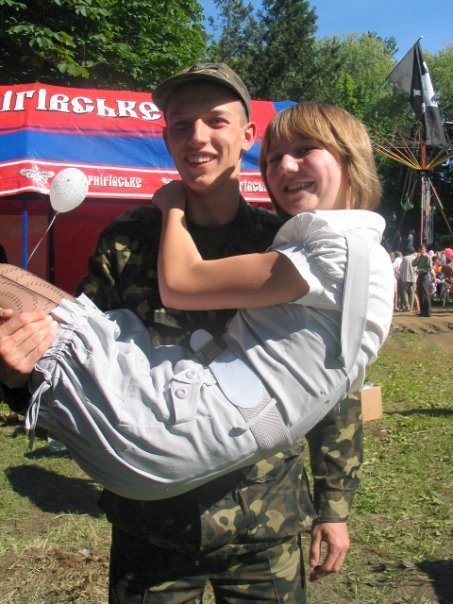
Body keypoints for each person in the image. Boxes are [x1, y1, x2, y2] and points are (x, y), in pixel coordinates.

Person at [0, 65, 368, 603]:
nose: (197, 137)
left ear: (247, 136)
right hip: (153, 529)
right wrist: (16, 374)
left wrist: (334, 504)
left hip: (263, 523)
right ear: (167, 137)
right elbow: (77, 361)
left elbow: (332, 374)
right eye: (180, 125)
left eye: (216, 121)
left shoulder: (285, 245)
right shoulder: (126, 242)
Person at [412, 245, 434, 317]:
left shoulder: (427, 257)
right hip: (420, 276)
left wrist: (420, 270)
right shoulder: (420, 256)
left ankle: (427, 312)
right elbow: (413, 264)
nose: (421, 250)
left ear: (425, 249)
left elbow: (429, 268)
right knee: (420, 294)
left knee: (425, 294)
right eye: (420, 249)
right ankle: (422, 311)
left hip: (425, 276)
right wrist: (417, 257)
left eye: (423, 249)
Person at [398, 247, 417, 311]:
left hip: (405, 277)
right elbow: (416, 268)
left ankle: (407, 306)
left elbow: (401, 268)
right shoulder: (415, 258)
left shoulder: (405, 258)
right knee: (412, 292)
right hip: (413, 277)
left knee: (404, 291)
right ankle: (411, 306)